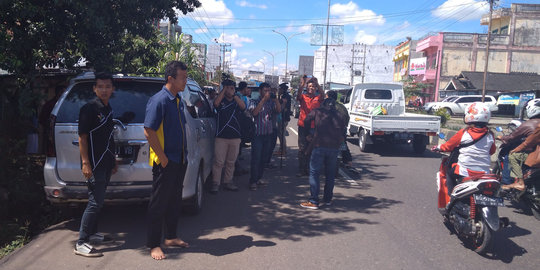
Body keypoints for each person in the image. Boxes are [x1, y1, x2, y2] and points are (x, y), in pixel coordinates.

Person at [144, 61, 190, 260]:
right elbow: (148, 130)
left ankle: (170, 236)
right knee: (159, 203)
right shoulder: (160, 100)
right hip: (166, 161)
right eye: (183, 78)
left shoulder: (177, 99)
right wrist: (162, 158)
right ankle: (153, 244)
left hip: (179, 159)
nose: (185, 81)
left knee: (174, 200)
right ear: (170, 78)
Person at [74, 72, 117, 257]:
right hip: (93, 163)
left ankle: (93, 234)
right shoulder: (89, 109)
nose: (104, 90)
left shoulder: (108, 109)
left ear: (112, 89)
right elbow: (82, 138)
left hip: (105, 162)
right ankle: (81, 242)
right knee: (94, 202)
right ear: (94, 89)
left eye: (108, 86)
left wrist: (113, 161)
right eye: (100, 86)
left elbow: (109, 138)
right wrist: (85, 163)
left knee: (99, 201)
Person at [431, 102, 496, 195]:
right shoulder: (490, 134)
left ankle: (452, 196)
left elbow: (448, 146)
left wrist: (439, 147)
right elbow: (492, 151)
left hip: (465, 170)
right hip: (484, 172)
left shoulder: (464, 132)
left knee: (449, 173)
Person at [300, 98, 346, 209]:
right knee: (330, 174)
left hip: (319, 145)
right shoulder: (340, 115)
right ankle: (327, 199)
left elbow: (306, 120)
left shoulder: (318, 111)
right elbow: (344, 129)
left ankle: (314, 201)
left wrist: (308, 134)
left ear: (323, 104)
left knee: (315, 173)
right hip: (334, 147)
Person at [210, 79, 245, 193]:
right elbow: (215, 104)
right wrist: (224, 89)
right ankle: (215, 183)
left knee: (231, 162)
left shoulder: (236, 101)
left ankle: (228, 182)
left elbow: (243, 107)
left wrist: (234, 95)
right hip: (221, 137)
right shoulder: (221, 102)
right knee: (219, 162)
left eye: (232, 88)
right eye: (229, 88)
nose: (231, 90)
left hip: (235, 137)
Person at [500, 99, 540, 190]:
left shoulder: (529, 124)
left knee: (512, 156)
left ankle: (519, 182)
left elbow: (529, 141)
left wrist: (517, 149)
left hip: (535, 155)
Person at [249, 83, 281, 190]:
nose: (267, 93)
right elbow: (254, 113)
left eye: (269, 91)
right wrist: (263, 100)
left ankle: (259, 178)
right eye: (265, 91)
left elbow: (279, 110)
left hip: (268, 134)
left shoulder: (270, 103)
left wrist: (275, 99)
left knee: (264, 159)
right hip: (258, 134)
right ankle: (253, 181)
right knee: (256, 158)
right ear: (260, 91)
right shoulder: (254, 101)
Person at [296, 76, 324, 177]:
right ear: (307, 88)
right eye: (310, 86)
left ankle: (310, 168)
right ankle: (302, 169)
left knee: (312, 148)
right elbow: (298, 94)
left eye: (313, 86)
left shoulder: (318, 98)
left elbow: (323, 95)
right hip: (303, 126)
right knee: (302, 148)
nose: (311, 88)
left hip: (314, 127)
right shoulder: (303, 97)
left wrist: (318, 84)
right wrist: (303, 83)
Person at [326, 90, 352, 167]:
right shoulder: (342, 106)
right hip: (342, 130)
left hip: (331, 130)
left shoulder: (328, 106)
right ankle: (349, 161)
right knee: (343, 144)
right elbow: (347, 118)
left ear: (328, 97)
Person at [39, 85, 64, 153]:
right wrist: (49, 127)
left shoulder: (65, 105)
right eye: (61, 92)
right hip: (51, 132)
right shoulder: (49, 104)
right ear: (57, 93)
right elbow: (42, 119)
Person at [275, 83, 291, 156]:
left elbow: (281, 107)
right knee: (281, 134)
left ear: (283, 89)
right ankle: (282, 149)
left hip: (283, 118)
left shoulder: (285, 97)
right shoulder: (284, 96)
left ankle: (283, 150)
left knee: (281, 134)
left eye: (280, 89)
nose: (279, 90)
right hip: (282, 117)